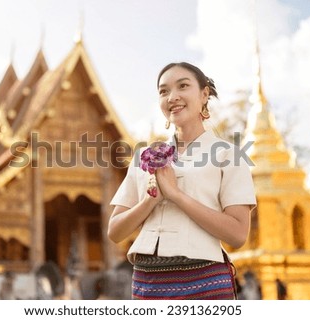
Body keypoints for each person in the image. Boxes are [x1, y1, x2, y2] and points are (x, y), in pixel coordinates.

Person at [107, 62, 256, 300]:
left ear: (204, 93)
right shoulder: (144, 157)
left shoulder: (229, 154)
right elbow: (115, 231)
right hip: (146, 284)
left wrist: (176, 195)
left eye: (183, 86)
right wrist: (150, 200)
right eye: (164, 91)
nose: (172, 97)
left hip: (204, 281)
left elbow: (238, 234)